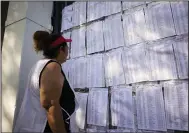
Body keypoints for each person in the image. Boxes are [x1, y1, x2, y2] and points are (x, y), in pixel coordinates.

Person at [13, 31, 78, 133]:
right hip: (44, 128)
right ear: (61, 49)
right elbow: (51, 106)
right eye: (67, 48)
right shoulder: (52, 67)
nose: (68, 51)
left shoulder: (41, 65)